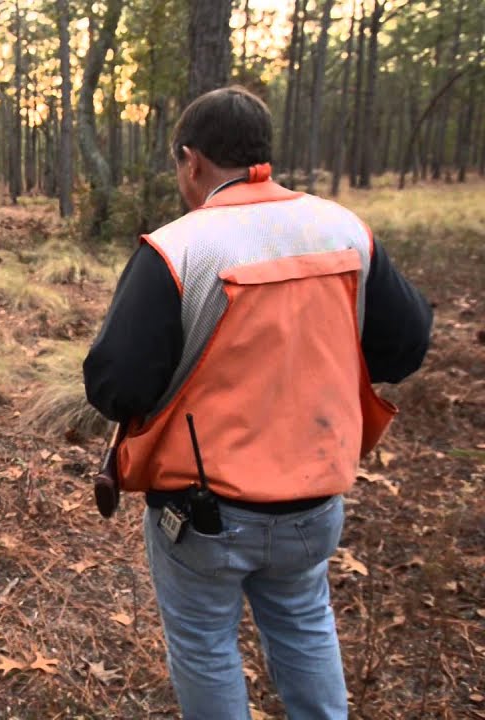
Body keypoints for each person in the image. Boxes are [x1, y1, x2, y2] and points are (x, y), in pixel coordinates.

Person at [82, 86, 432, 720]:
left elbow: (116, 387)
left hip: (203, 514)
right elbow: (406, 346)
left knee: (206, 648)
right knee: (304, 624)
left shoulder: (179, 247)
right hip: (315, 501)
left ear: (191, 161)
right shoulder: (344, 229)